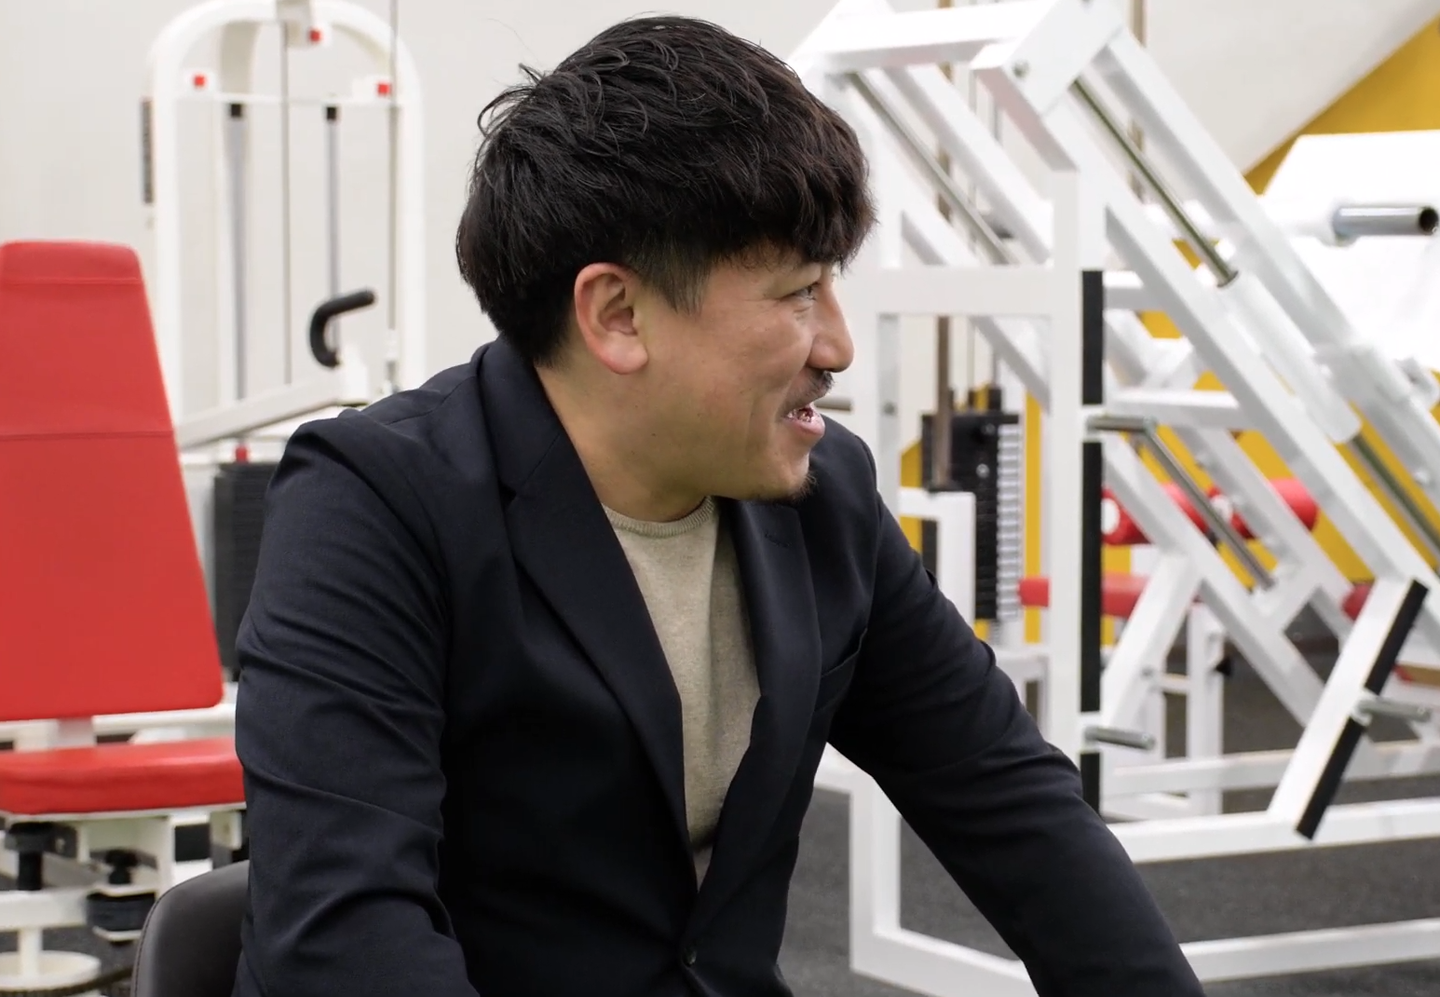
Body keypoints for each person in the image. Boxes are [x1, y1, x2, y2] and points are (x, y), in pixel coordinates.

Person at [230, 14, 1204, 997]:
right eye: (798, 293)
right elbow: (348, 941)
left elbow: (1007, 798)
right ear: (618, 315)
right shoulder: (376, 504)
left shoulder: (825, 497)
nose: (838, 345)